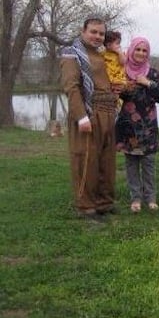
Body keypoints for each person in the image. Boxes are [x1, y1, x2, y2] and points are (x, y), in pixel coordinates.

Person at [60, 18, 121, 221]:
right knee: (87, 159)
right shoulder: (72, 54)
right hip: (88, 112)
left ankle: (104, 202)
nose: (97, 37)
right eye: (93, 32)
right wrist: (81, 117)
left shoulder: (105, 55)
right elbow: (72, 87)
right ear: (83, 31)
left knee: (106, 161)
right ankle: (86, 206)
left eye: (101, 34)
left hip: (108, 111)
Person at [115, 37, 159, 213]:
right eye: (137, 49)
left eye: (144, 50)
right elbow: (113, 94)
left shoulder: (151, 73)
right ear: (131, 51)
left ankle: (151, 198)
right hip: (128, 127)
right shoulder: (121, 72)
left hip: (148, 127)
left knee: (148, 164)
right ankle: (136, 198)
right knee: (131, 165)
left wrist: (148, 83)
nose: (140, 53)